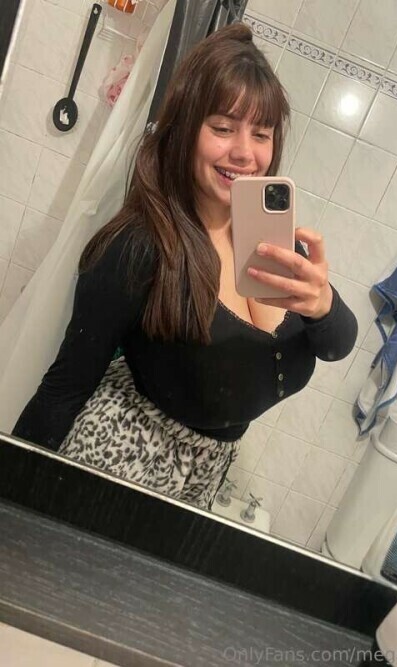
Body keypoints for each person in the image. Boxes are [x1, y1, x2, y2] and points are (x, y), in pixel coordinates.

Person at [12, 23, 358, 510]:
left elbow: (337, 346)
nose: (245, 152)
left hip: (203, 478)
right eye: (223, 128)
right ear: (184, 129)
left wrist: (323, 305)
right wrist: (13, 506)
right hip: (120, 461)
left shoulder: (275, 244)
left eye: (261, 134)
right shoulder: (140, 246)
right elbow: (64, 388)